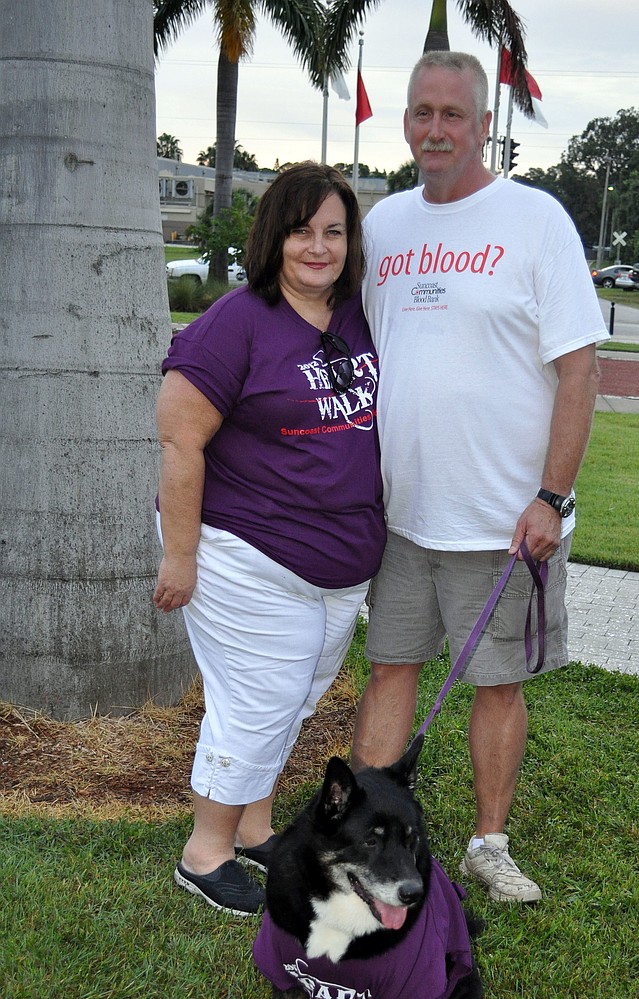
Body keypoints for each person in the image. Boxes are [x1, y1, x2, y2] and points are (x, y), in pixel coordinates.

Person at [350, 51, 609, 904]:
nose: (433, 129)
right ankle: (371, 835)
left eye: (450, 114)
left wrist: (551, 495)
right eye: (419, 112)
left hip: (504, 520)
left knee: (496, 684)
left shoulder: (535, 220)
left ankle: (487, 845)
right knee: (390, 669)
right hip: (401, 517)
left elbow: (580, 370)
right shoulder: (383, 226)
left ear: (482, 123)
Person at [153, 162, 384, 916]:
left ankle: (254, 825)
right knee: (262, 696)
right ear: (272, 237)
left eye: (334, 232)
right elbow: (180, 441)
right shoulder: (238, 321)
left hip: (336, 563)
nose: (317, 247)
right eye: (299, 231)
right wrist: (180, 556)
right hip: (242, 549)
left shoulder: (351, 314)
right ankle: (205, 851)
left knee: (300, 698)